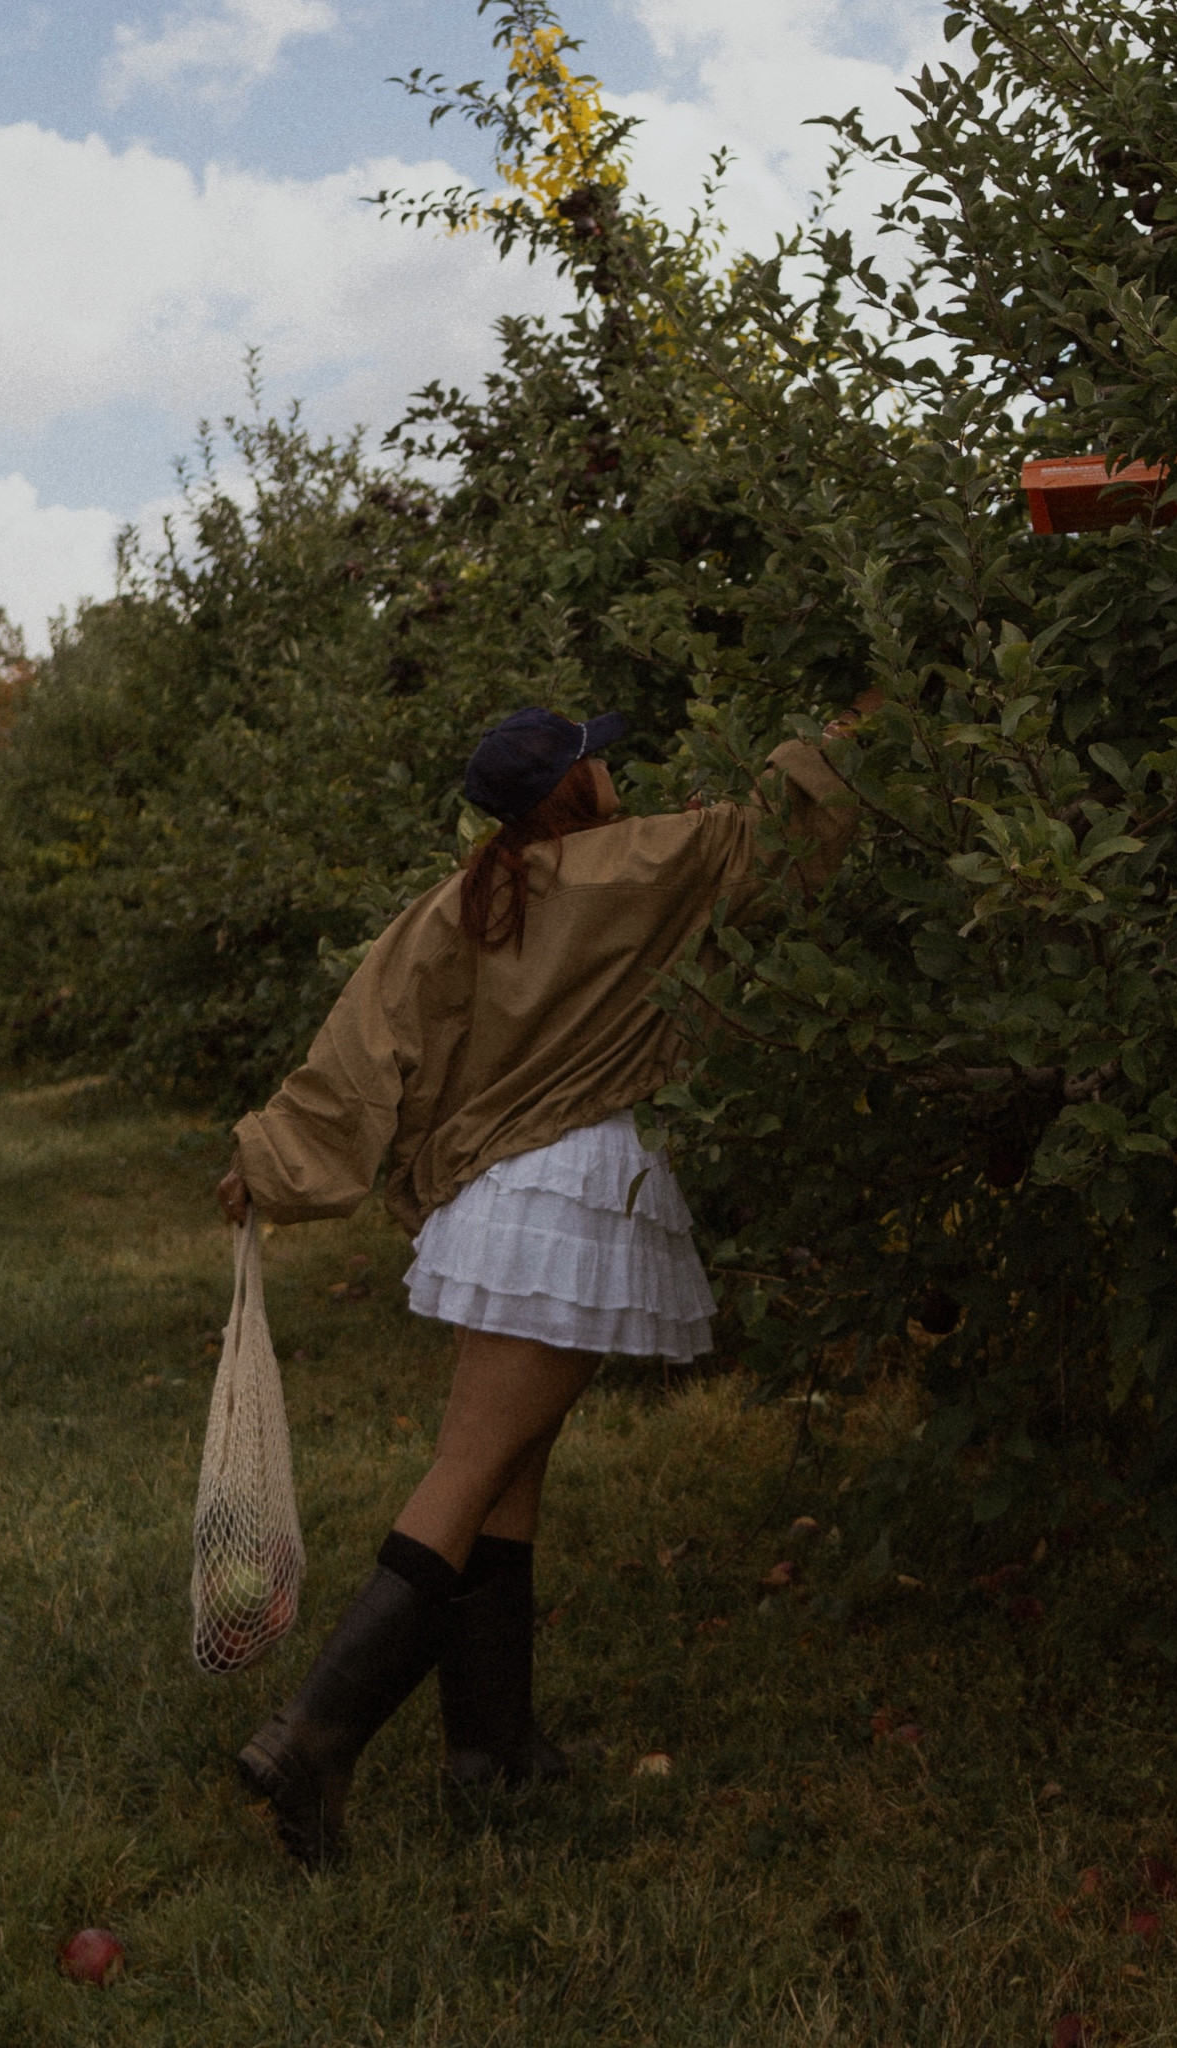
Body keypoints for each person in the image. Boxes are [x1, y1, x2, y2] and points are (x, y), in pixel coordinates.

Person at [216, 701, 865, 1867]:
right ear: (578, 787)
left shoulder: (455, 907)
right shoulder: (641, 860)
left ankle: (492, 1748)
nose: (618, 769)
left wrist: (269, 1160)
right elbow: (774, 826)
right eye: (601, 757)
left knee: (511, 1466)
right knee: (469, 1470)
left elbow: (360, 1051)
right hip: (570, 1196)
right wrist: (868, 721)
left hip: (497, 1199)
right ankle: (312, 1737)